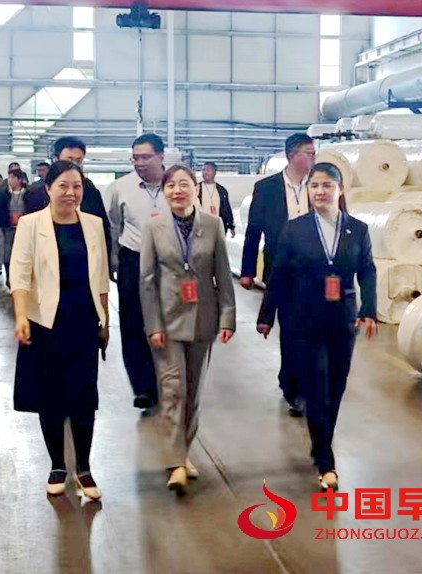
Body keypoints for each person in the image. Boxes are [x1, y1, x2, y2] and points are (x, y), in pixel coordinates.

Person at [256, 162, 377, 492]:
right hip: (304, 321)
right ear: (307, 191)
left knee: (335, 387)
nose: (320, 192)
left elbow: (367, 270)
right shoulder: (295, 230)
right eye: (314, 186)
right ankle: (325, 461)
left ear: (340, 189)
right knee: (316, 389)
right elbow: (279, 274)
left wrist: (369, 309)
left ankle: (320, 442)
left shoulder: (358, 229)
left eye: (327, 185)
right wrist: (267, 315)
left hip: (342, 321)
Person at [10, 160, 110, 501]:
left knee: (84, 397)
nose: (70, 192)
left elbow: (101, 278)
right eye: (63, 185)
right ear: (48, 188)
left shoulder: (93, 224)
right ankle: (57, 465)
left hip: (84, 321)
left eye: (76, 186)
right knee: (50, 396)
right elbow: (20, 275)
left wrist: (105, 321)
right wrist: (21, 316)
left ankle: (83, 467)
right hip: (45, 323)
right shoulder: (31, 224)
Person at [140, 165, 236, 494]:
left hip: (203, 319)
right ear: (164, 192)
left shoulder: (212, 225)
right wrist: (152, 324)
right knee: (172, 390)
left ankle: (182, 452)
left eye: (184, 184)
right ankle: (175, 462)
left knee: (193, 393)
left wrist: (227, 318)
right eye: (171, 185)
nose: (177, 190)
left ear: (196, 189)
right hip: (166, 322)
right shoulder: (153, 227)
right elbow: (147, 281)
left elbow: (222, 274)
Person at [240, 133, 316, 417]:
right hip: (283, 270)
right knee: (292, 329)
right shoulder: (267, 188)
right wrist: (248, 271)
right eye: (309, 152)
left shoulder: (320, 185)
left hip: (316, 270)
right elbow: (253, 232)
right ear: (292, 155)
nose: (314, 157)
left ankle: (306, 385)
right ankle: (293, 388)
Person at [106, 133, 168, 410]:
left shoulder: (176, 183)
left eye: (145, 157)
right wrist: (113, 261)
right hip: (133, 259)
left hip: (170, 261)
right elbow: (113, 225)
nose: (140, 163)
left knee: (170, 320)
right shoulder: (120, 188)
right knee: (133, 322)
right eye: (135, 158)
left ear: (161, 156)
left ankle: (167, 379)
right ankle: (142, 386)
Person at [23, 137, 111, 262]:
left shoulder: (91, 193)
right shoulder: (35, 194)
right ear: (55, 160)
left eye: (79, 161)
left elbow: (104, 233)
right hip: (44, 261)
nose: (73, 166)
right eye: (69, 160)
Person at [1, 167, 27, 287]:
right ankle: (9, 278)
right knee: (8, 254)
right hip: (9, 228)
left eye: (13, 178)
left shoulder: (27, 193)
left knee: (23, 254)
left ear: (19, 179)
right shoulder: (5, 194)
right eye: (9, 177)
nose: (10, 180)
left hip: (24, 228)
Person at [197, 162, 235, 237]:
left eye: (208, 170)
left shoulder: (221, 191)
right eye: (203, 170)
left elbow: (227, 209)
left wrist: (231, 226)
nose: (205, 172)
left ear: (214, 172)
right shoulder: (196, 189)